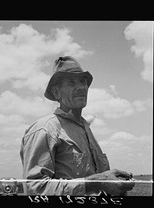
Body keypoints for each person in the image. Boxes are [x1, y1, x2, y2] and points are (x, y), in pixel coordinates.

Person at [20, 56, 135, 196]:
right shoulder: (44, 129)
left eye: (83, 81)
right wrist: (97, 182)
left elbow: (97, 182)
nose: (81, 87)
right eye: (71, 82)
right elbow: (35, 190)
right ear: (56, 92)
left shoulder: (85, 127)